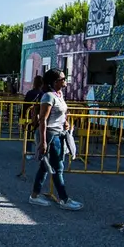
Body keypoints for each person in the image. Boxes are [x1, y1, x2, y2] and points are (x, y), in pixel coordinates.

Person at [28, 68, 83, 211]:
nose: (65, 81)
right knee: (58, 168)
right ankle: (64, 199)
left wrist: (65, 122)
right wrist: (43, 141)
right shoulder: (48, 97)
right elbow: (43, 120)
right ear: (54, 81)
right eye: (62, 79)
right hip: (51, 135)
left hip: (59, 133)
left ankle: (34, 196)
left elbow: (61, 113)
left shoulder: (59, 94)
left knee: (45, 167)